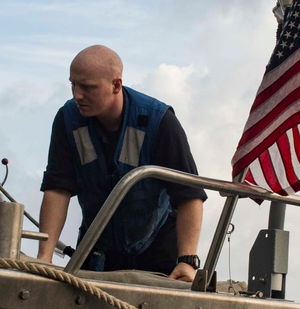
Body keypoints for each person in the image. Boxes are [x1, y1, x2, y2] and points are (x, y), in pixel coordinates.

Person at [37, 45, 206, 281]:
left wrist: (187, 261)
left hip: (158, 253)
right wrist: (44, 257)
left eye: (87, 87)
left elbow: (189, 194)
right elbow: (58, 188)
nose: (77, 95)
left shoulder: (159, 121)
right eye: (73, 84)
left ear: (116, 85)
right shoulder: (68, 120)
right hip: (96, 252)